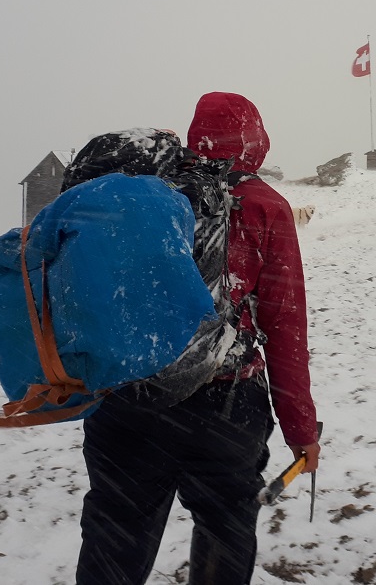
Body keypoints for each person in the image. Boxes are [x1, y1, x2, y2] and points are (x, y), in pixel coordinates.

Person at [76, 92, 321, 585]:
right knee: (225, 528)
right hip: (225, 407)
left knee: (116, 533)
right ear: (255, 139)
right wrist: (302, 431)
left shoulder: (141, 196)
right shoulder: (265, 207)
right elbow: (285, 327)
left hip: (129, 398)